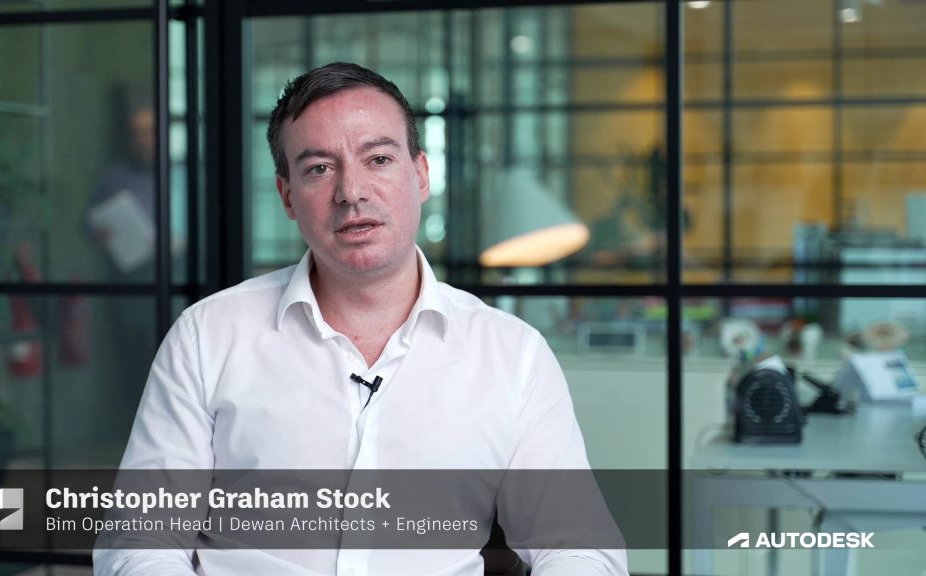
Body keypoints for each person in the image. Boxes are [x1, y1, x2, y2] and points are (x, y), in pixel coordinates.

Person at [94, 62, 627, 576]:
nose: (351, 192)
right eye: (319, 169)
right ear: (287, 196)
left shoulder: (512, 354)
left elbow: (580, 548)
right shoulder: (207, 336)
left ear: (421, 174)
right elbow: (140, 540)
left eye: (378, 159)